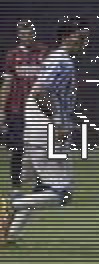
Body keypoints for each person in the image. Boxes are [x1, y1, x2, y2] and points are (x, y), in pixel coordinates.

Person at [1, 17, 89, 243]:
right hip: (46, 132)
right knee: (62, 193)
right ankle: (14, 202)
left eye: (86, 37)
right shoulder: (59, 60)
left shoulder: (59, 59)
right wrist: (57, 123)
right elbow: (40, 92)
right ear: (66, 37)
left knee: (41, 187)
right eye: (80, 37)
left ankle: (10, 235)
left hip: (38, 129)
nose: (84, 41)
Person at [0, 20, 48, 190]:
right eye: (23, 33)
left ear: (34, 34)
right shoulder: (13, 55)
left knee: (40, 147)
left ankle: (41, 184)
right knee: (18, 147)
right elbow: (7, 84)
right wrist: (2, 110)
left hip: (40, 108)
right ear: (19, 35)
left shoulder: (44, 52)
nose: (26, 36)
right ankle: (16, 184)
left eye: (29, 32)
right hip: (18, 109)